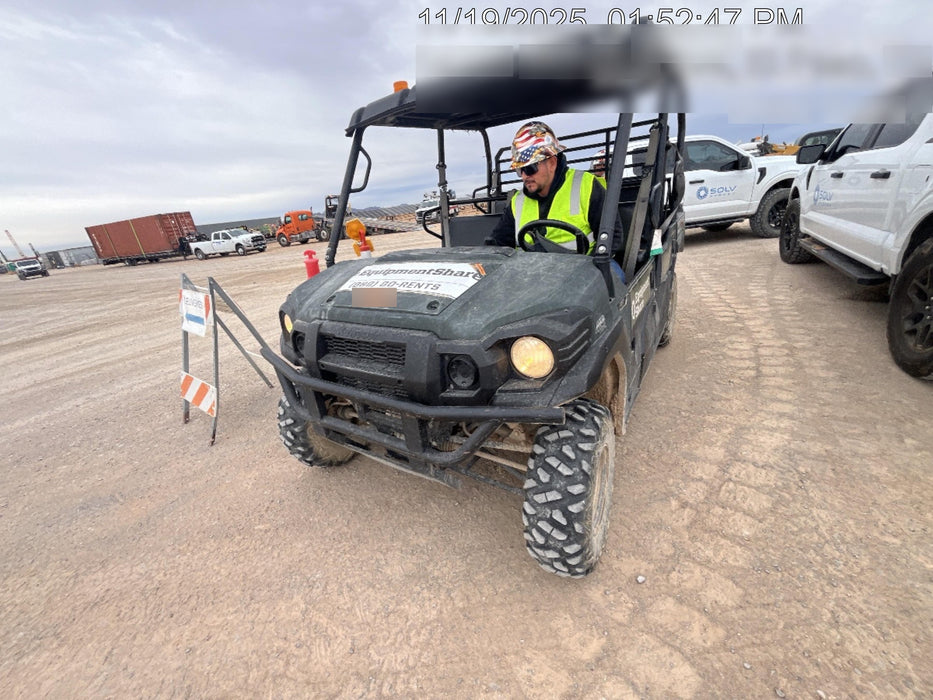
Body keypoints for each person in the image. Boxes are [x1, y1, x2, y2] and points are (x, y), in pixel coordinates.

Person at [485, 121, 622, 265]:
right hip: (532, 274)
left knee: (612, 275)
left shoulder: (586, 186)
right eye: (520, 170)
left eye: (530, 168)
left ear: (552, 163)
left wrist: (588, 270)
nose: (524, 176)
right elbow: (499, 243)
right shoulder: (517, 202)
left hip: (583, 270)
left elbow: (612, 236)